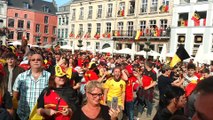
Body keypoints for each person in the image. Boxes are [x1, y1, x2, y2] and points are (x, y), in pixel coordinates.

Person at [12, 53, 51, 120]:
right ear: (30, 62)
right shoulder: (21, 76)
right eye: (33, 60)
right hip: (23, 115)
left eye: (38, 60)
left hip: (40, 115)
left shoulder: (49, 76)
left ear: (42, 62)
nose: (36, 61)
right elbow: (15, 94)